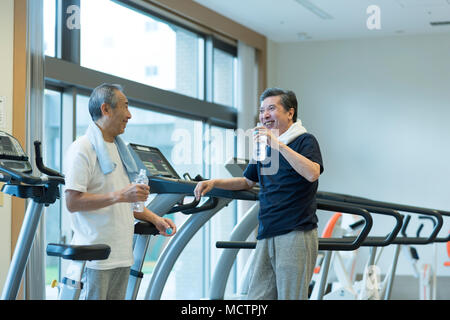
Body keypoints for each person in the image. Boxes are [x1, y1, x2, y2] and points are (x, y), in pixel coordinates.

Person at [194, 87, 323, 300]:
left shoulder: (305, 140)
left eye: (271, 109)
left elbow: (312, 173)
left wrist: (278, 145)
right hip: (267, 231)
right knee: (257, 298)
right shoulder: (264, 148)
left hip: (296, 231)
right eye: (262, 110)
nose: (264, 115)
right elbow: (247, 181)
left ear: (290, 113)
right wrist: (214, 182)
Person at [64, 83, 176, 300]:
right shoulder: (83, 148)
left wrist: (155, 219)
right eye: (125, 107)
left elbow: (125, 202)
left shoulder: (120, 150)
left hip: (122, 256)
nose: (130, 115)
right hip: (95, 259)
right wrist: (120, 195)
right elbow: (73, 201)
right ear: (106, 109)